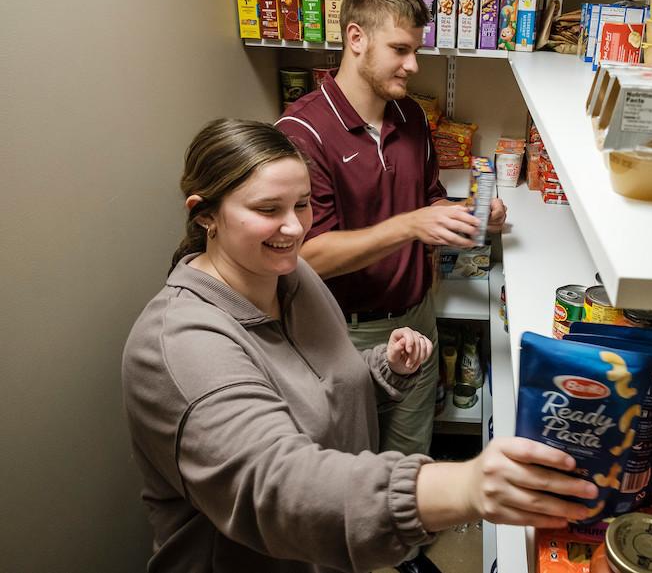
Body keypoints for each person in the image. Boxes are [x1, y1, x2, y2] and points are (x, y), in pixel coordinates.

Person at [121, 119, 595, 573]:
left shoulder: (291, 276)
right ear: (205, 214)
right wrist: (469, 485)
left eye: (302, 204)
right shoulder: (180, 345)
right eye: (268, 210)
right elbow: (278, 485)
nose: (294, 228)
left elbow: (317, 393)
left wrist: (382, 366)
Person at [275, 0, 507, 461]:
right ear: (356, 38)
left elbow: (429, 199)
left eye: (416, 50)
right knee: (347, 465)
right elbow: (306, 255)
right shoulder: (300, 134)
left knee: (408, 460)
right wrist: (411, 225)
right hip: (341, 332)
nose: (414, 65)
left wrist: (467, 214)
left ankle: (406, 543)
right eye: (400, 49)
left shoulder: (411, 118)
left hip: (416, 317)